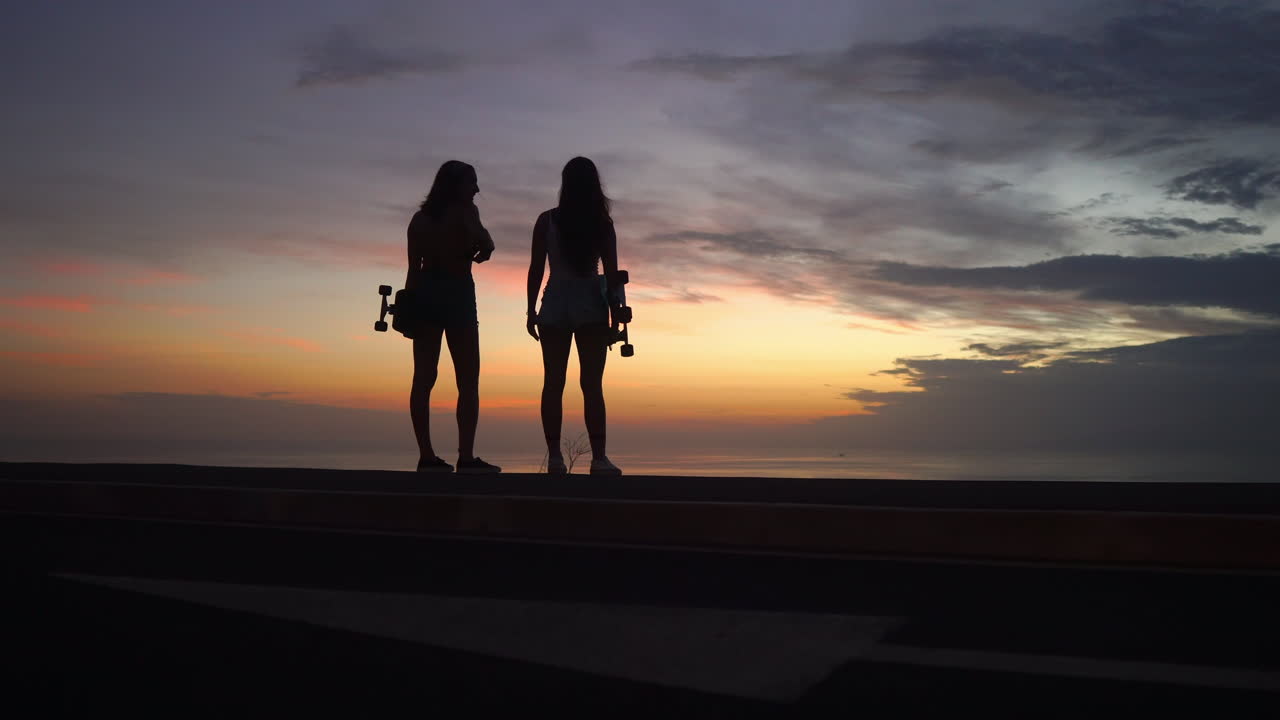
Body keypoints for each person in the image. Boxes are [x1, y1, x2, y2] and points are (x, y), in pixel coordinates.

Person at [526, 156, 624, 476]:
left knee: (553, 382)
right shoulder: (601, 223)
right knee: (592, 385)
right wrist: (616, 317)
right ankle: (599, 458)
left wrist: (531, 310)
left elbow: (536, 269)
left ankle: (555, 457)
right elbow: (611, 274)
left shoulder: (547, 220)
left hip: (553, 304)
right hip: (590, 304)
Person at [406, 160, 501, 474]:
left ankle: (426, 456)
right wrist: (484, 248)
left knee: (423, 378)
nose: (476, 189)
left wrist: (410, 309)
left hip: (425, 295)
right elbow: (483, 242)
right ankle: (467, 457)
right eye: (471, 183)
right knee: (468, 379)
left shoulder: (418, 220)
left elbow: (412, 270)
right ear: (455, 186)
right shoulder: (465, 213)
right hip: (457, 295)